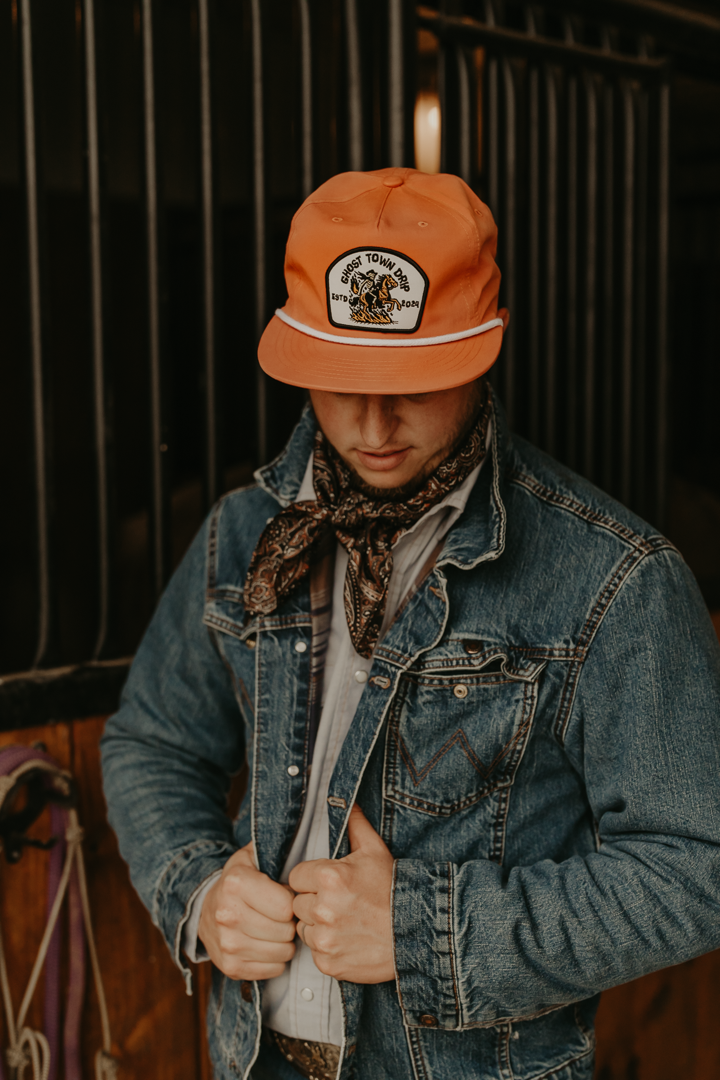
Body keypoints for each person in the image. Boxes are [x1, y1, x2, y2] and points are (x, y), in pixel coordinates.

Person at [101, 168, 720, 1080]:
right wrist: (198, 887)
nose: (372, 422)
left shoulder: (614, 577)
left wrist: (426, 932)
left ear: (486, 352)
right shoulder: (243, 532)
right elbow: (150, 741)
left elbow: (695, 868)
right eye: (341, 380)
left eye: (415, 381)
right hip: (253, 1060)